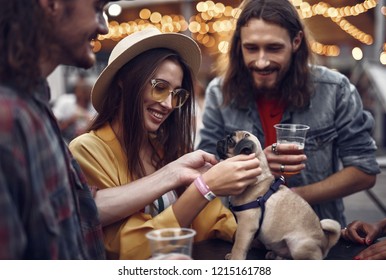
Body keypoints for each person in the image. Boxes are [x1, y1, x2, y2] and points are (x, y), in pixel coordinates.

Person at [69, 28, 262, 260]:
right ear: (124, 81)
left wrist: (272, 233)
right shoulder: (88, 149)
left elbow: (218, 222)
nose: (169, 104)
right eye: (160, 87)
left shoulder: (168, 148)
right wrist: (203, 189)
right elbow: (128, 249)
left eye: (177, 94)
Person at [197, 0, 380, 228]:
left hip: (315, 231)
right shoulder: (219, 92)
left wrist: (290, 197)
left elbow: (364, 170)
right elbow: (204, 167)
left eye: (274, 48)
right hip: (241, 234)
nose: (261, 61)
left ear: (296, 41)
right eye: (251, 48)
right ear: (239, 45)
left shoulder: (335, 90)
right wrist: (257, 163)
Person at [0, 0, 118, 259]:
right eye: (97, 9)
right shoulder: (8, 120)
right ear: (50, 4)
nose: (104, 27)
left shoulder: (32, 106)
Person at [53, 73, 97, 143]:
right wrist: (71, 120)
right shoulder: (65, 101)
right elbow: (53, 127)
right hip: (64, 141)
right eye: (80, 98)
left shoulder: (94, 107)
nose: (82, 102)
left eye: (86, 100)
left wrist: (87, 127)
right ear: (76, 94)